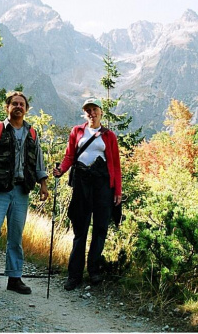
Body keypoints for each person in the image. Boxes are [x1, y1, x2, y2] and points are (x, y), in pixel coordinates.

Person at [0, 91, 49, 297]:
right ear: (7, 107)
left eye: (21, 104)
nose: (18, 106)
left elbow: (39, 162)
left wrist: (43, 185)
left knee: (15, 237)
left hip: (21, 191)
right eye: (14, 103)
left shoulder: (32, 133)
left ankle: (14, 278)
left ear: (26, 109)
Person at [53, 97, 122, 291]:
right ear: (85, 114)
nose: (91, 113)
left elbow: (115, 165)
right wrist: (61, 170)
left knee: (100, 228)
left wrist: (117, 191)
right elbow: (70, 156)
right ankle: (74, 275)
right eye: (88, 110)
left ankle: (94, 271)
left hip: (103, 186)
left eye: (94, 109)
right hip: (82, 183)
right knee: (80, 229)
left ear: (101, 112)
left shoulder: (109, 136)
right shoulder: (77, 131)